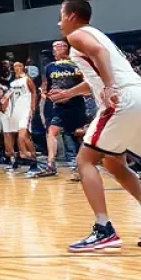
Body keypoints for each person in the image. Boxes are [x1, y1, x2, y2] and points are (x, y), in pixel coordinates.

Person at [53, 0, 141, 253]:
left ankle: (103, 228)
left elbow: (101, 57)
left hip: (122, 99)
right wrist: (69, 93)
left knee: (85, 160)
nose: (59, 22)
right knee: (113, 162)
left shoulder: (76, 36)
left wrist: (109, 87)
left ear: (72, 15)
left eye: (61, 16)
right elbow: (95, 73)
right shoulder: (97, 34)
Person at [34, 41, 88, 179]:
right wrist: (49, 96)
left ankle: (82, 167)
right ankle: (51, 165)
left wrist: (69, 94)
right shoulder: (49, 67)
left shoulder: (77, 64)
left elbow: (88, 86)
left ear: (66, 48)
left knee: (80, 135)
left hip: (77, 104)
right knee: (52, 131)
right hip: (59, 106)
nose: (55, 50)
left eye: (58, 47)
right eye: (53, 48)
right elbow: (46, 87)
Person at [6, 60, 37, 172]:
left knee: (23, 136)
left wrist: (33, 108)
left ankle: (33, 159)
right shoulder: (13, 83)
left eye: (19, 65)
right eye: (15, 66)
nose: (17, 67)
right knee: (12, 135)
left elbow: (34, 92)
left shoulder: (27, 79)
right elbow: (9, 98)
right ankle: (18, 159)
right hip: (16, 111)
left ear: (23, 67)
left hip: (26, 109)